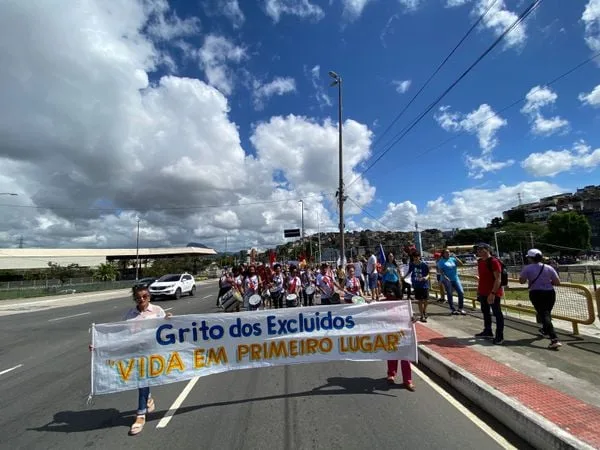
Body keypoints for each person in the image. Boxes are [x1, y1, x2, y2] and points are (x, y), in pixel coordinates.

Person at [89, 285, 172, 436]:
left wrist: (170, 320)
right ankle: (144, 407)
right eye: (138, 297)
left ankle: (142, 410)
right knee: (142, 381)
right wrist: (98, 346)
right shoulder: (130, 314)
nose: (142, 299)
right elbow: (121, 335)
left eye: (145, 296)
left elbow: (167, 330)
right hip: (136, 353)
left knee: (144, 381)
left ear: (149, 296)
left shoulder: (158, 311)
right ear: (134, 298)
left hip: (153, 353)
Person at [519, 249, 562, 350]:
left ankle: (554, 339)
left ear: (530, 258)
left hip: (536, 293)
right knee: (546, 313)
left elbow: (522, 281)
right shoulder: (548, 267)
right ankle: (545, 330)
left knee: (544, 314)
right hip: (550, 293)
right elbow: (557, 282)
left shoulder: (527, 268)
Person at [382, 284, 415, 391]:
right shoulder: (382, 303)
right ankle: (391, 374)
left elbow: (411, 317)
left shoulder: (404, 304)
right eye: (387, 291)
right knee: (392, 356)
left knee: (405, 359)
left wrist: (413, 319)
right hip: (390, 334)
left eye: (391, 291)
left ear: (396, 293)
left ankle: (407, 381)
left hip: (403, 335)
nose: (389, 293)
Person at [474, 243, 505, 345]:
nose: (478, 252)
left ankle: (499, 336)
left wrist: (493, 293)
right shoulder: (480, 262)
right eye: (478, 250)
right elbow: (482, 277)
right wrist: (479, 291)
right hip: (483, 291)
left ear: (487, 250)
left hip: (493, 292)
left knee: (497, 314)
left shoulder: (494, 262)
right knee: (485, 312)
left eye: (481, 249)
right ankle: (488, 330)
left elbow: (498, 279)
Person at [437, 249, 466, 315]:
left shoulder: (453, 259)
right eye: (446, 252)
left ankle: (460, 308)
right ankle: (452, 309)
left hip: (455, 278)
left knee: (461, 292)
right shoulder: (441, 261)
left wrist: (456, 257)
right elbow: (441, 271)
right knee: (450, 294)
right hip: (447, 280)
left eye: (449, 252)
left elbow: (461, 264)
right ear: (443, 254)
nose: (448, 253)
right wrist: (445, 277)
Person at [406, 253, 430, 322]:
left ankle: (424, 310)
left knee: (426, 300)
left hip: (424, 285)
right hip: (416, 285)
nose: (416, 258)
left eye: (417, 257)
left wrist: (425, 277)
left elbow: (428, 273)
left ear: (419, 257)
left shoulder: (424, 264)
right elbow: (409, 272)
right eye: (414, 257)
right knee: (420, 301)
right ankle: (422, 316)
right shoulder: (412, 264)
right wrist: (403, 277)